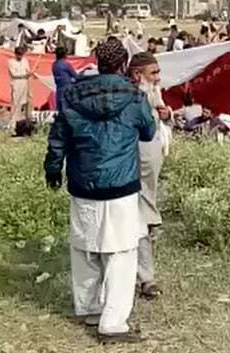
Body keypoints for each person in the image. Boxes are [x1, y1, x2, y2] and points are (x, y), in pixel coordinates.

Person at [44, 38, 155, 344]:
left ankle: (91, 309)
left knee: (85, 248)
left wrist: (53, 169)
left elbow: (58, 138)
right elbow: (148, 131)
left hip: (83, 184)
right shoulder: (134, 96)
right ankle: (113, 322)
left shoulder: (72, 94)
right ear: (122, 65)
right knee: (121, 253)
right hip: (121, 187)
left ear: (97, 61)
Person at [126, 52, 171, 300]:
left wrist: (166, 114)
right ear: (137, 75)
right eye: (152, 73)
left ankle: (142, 276)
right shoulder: (130, 98)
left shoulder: (152, 93)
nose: (157, 77)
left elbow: (159, 114)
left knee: (142, 218)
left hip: (148, 170)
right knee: (138, 220)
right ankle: (145, 278)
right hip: (131, 170)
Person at [8, 46, 33, 130]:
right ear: (15, 54)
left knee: (26, 103)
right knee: (15, 103)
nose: (20, 56)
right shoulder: (11, 62)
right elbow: (13, 74)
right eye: (18, 55)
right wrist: (24, 75)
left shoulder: (25, 61)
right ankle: (13, 122)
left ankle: (25, 122)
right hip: (16, 84)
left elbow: (28, 71)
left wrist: (31, 74)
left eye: (21, 55)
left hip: (25, 83)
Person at [52, 46, 78, 112]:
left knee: (60, 108)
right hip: (67, 89)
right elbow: (74, 75)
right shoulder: (66, 64)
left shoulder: (54, 65)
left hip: (59, 89)